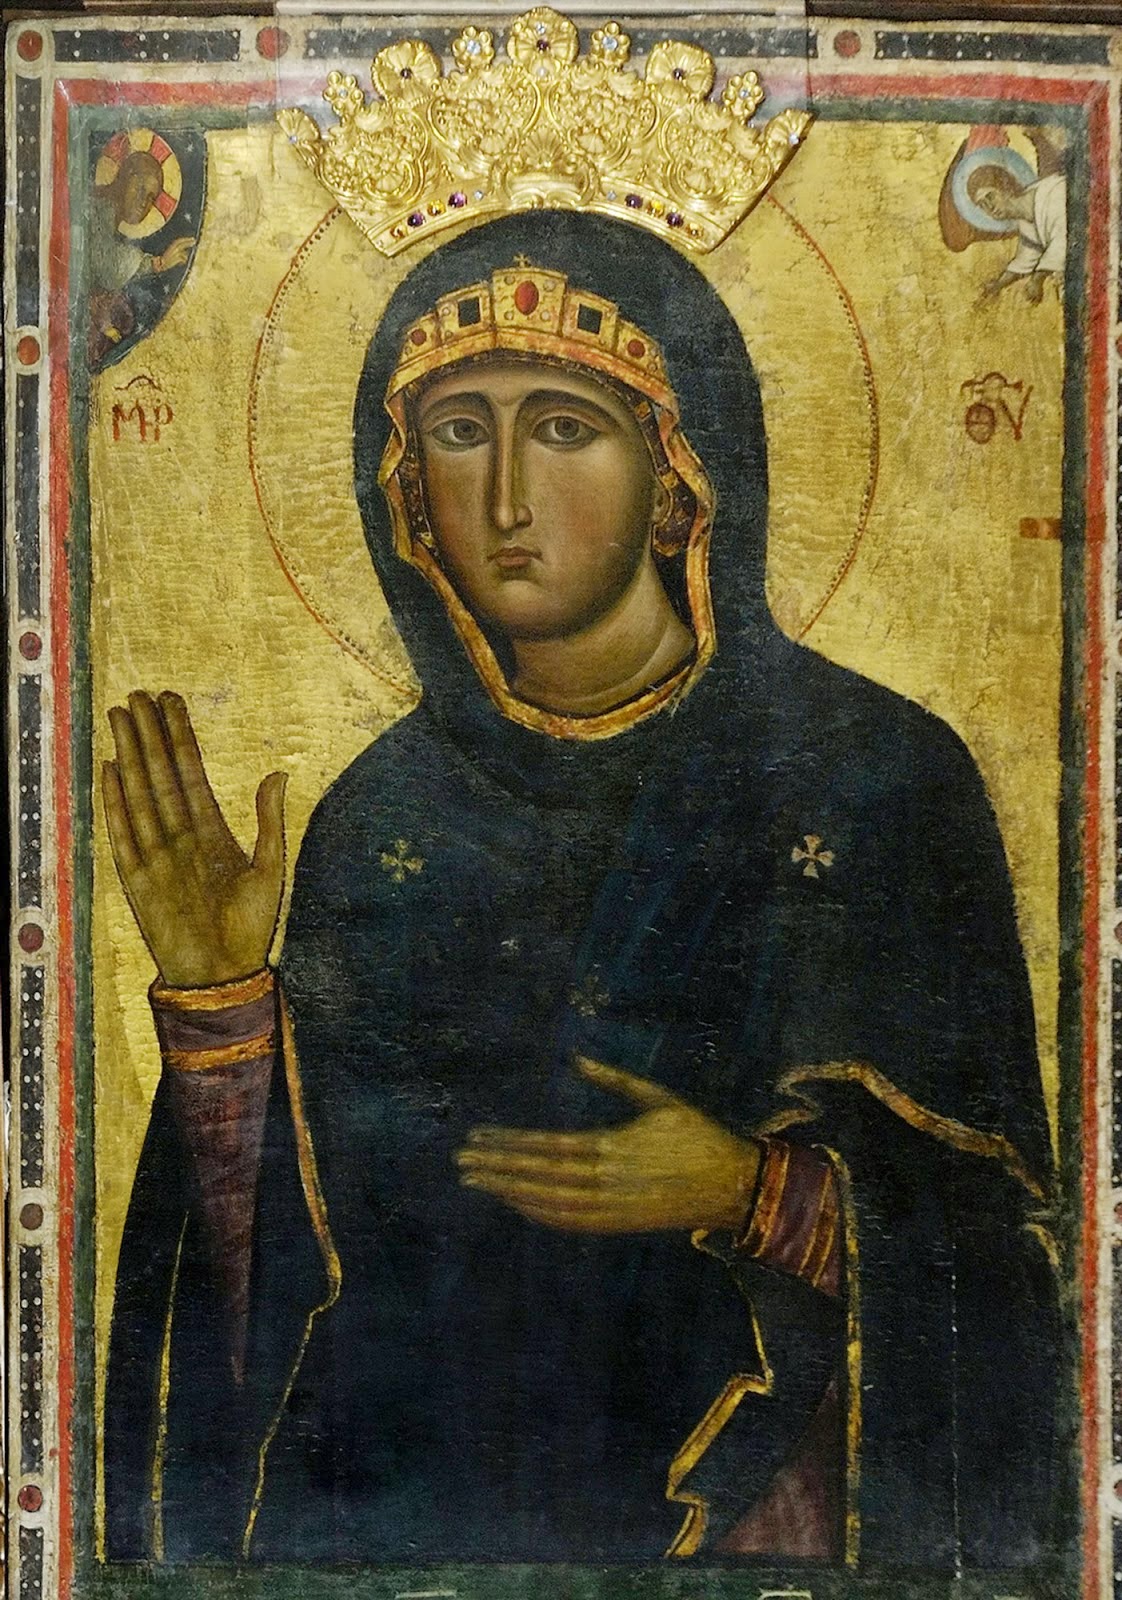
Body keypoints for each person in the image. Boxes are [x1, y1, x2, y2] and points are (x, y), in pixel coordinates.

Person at [103, 212, 1062, 1572]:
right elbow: (292, 1280)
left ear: (678, 478)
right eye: (458, 432)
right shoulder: (383, 815)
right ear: (404, 497)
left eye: (564, 428)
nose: (504, 495)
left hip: (745, 1534)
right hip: (410, 1527)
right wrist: (222, 1013)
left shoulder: (872, 781)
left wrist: (756, 1191)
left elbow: (1020, 1269)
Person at [969, 163, 1066, 303]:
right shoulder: (1026, 220)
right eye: (982, 205)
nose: (990, 207)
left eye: (991, 197)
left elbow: (1062, 242)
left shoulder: (1054, 193)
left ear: (1007, 189)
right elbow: (1026, 258)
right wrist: (997, 285)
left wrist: (1037, 279)